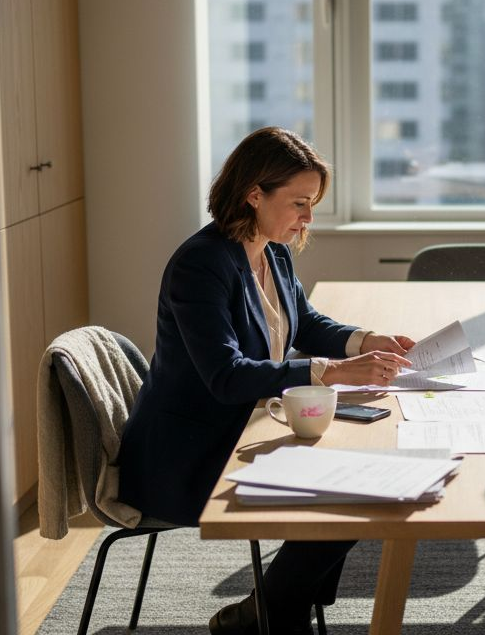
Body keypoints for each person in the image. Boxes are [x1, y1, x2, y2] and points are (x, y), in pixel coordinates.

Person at [117, 127, 415, 635]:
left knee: (363, 482)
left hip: (245, 429)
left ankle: (269, 611)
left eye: (313, 203)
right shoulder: (201, 264)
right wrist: (331, 372)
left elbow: (307, 323)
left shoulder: (272, 251)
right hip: (189, 454)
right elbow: (226, 376)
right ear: (254, 193)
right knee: (350, 491)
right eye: (300, 202)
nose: (308, 217)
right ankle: (278, 613)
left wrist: (368, 340)